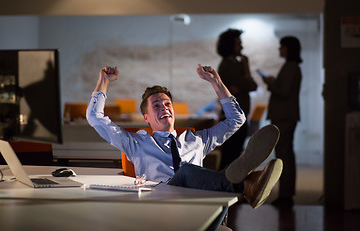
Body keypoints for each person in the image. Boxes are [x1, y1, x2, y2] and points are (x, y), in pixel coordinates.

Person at [86, 64, 282, 211]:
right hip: (158, 204)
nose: (164, 107)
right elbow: (95, 117)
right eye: (156, 105)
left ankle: (245, 182)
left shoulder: (196, 140)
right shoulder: (135, 143)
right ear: (146, 118)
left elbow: (236, 119)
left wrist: (217, 82)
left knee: (198, 180)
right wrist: (103, 81)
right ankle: (246, 183)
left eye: (167, 104)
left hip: (199, 205)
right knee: (187, 172)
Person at [260, 36, 302, 207]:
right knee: (286, 155)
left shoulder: (291, 67)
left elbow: (284, 92)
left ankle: (285, 196)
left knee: (284, 156)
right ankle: (286, 194)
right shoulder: (292, 67)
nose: (280, 50)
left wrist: (271, 84)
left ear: (288, 49)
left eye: (282, 47)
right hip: (286, 116)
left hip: (284, 117)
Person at [216, 29, 258, 170]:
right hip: (232, 117)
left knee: (234, 156)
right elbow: (248, 84)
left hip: (239, 116)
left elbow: (252, 86)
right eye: (238, 43)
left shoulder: (235, 64)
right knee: (230, 158)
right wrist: (246, 70)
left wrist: (244, 84)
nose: (242, 47)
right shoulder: (228, 65)